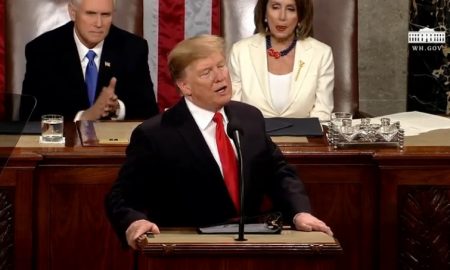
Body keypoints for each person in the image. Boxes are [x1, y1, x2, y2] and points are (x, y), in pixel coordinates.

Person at [105, 34, 332, 250]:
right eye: (206, 72)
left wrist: (299, 212)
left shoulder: (249, 117)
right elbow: (121, 196)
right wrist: (133, 222)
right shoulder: (156, 134)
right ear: (185, 87)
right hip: (189, 252)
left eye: (221, 66)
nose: (220, 77)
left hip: (251, 247)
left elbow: (278, 172)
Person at [21, 0, 158, 121]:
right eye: (91, 14)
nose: (99, 24)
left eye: (105, 15)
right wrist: (84, 117)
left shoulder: (133, 48)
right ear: (73, 12)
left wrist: (117, 109)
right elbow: (29, 116)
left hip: (113, 147)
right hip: (63, 147)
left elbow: (149, 112)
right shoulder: (42, 50)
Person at [228, 0, 334, 121]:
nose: (282, 16)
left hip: (305, 138)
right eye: (275, 7)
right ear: (265, 13)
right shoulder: (240, 51)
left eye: (290, 9)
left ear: (300, 16)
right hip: (253, 137)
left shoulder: (321, 54)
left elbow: (322, 113)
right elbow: (234, 111)